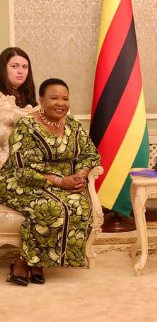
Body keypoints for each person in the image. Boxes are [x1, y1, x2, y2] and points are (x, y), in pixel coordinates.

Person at [0, 78, 101, 286]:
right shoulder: (26, 125)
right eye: (54, 98)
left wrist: (80, 176)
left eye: (65, 98)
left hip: (60, 183)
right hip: (20, 182)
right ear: (42, 100)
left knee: (79, 205)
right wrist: (60, 181)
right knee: (50, 207)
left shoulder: (73, 125)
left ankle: (36, 262)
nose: (60, 103)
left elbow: (91, 155)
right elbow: (23, 169)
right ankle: (24, 263)